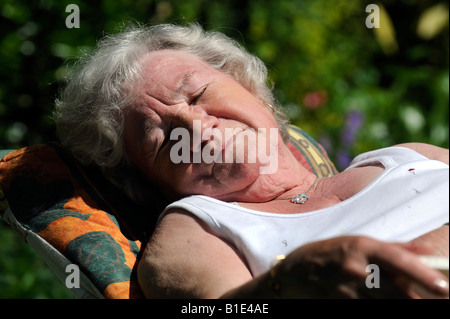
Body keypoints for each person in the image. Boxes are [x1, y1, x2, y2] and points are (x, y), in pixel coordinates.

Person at [54, 23, 449, 299]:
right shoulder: (195, 229)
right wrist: (286, 282)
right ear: (153, 183)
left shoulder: (408, 156)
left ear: (250, 87)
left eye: (195, 95)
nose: (197, 128)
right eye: (162, 140)